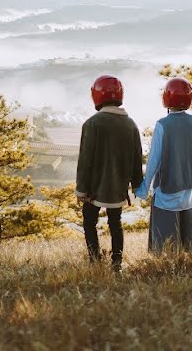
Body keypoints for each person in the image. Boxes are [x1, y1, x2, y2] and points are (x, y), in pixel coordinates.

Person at [75, 75, 144, 271]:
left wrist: (81, 189)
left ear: (97, 96)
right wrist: (136, 184)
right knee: (116, 223)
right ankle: (117, 264)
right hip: (118, 188)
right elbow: (137, 158)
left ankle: (95, 261)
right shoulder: (130, 124)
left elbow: (85, 160)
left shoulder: (92, 124)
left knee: (89, 222)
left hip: (94, 189)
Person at [135, 76, 192, 253]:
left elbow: (154, 160)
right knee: (189, 243)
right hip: (190, 188)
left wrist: (144, 189)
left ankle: (168, 264)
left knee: (166, 245)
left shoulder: (162, 125)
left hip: (168, 189)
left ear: (166, 99)